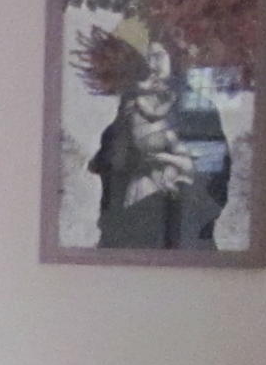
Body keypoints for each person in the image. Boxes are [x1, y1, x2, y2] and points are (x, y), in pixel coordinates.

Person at [88, 60, 228, 249]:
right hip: (129, 230)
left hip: (183, 236)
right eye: (144, 58)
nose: (152, 65)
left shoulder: (198, 110)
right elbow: (110, 171)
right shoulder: (128, 112)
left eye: (158, 56)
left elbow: (213, 180)